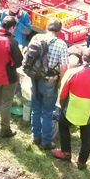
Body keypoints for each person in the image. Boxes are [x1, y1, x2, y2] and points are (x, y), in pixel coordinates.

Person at [52, 47, 90, 169]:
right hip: (88, 114)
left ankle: (66, 152)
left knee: (63, 126)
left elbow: (63, 93)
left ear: (82, 59)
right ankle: (82, 162)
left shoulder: (71, 72)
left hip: (71, 110)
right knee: (86, 138)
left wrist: (63, 105)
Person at [28, 18, 69, 150]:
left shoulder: (37, 37)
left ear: (46, 27)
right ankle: (46, 141)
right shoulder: (61, 44)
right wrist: (60, 83)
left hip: (35, 78)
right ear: (59, 31)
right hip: (50, 81)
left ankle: (35, 136)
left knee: (35, 108)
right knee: (47, 112)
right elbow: (64, 68)